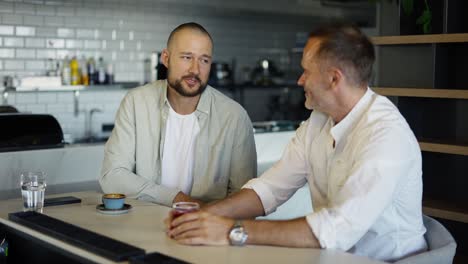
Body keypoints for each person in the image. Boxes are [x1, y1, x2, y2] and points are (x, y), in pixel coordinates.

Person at [166, 23, 427, 262]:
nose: (299, 81)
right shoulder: (319, 122)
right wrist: (206, 216)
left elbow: (335, 229)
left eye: (306, 71)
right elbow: (270, 189)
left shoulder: (385, 136)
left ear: (334, 79)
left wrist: (230, 230)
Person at [100, 22, 257, 206]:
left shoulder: (234, 117)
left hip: (206, 230)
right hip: (142, 226)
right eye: (186, 57)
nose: (195, 70)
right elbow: (112, 176)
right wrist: (177, 199)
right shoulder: (136, 103)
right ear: (166, 58)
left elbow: (243, 200)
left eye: (204, 60)